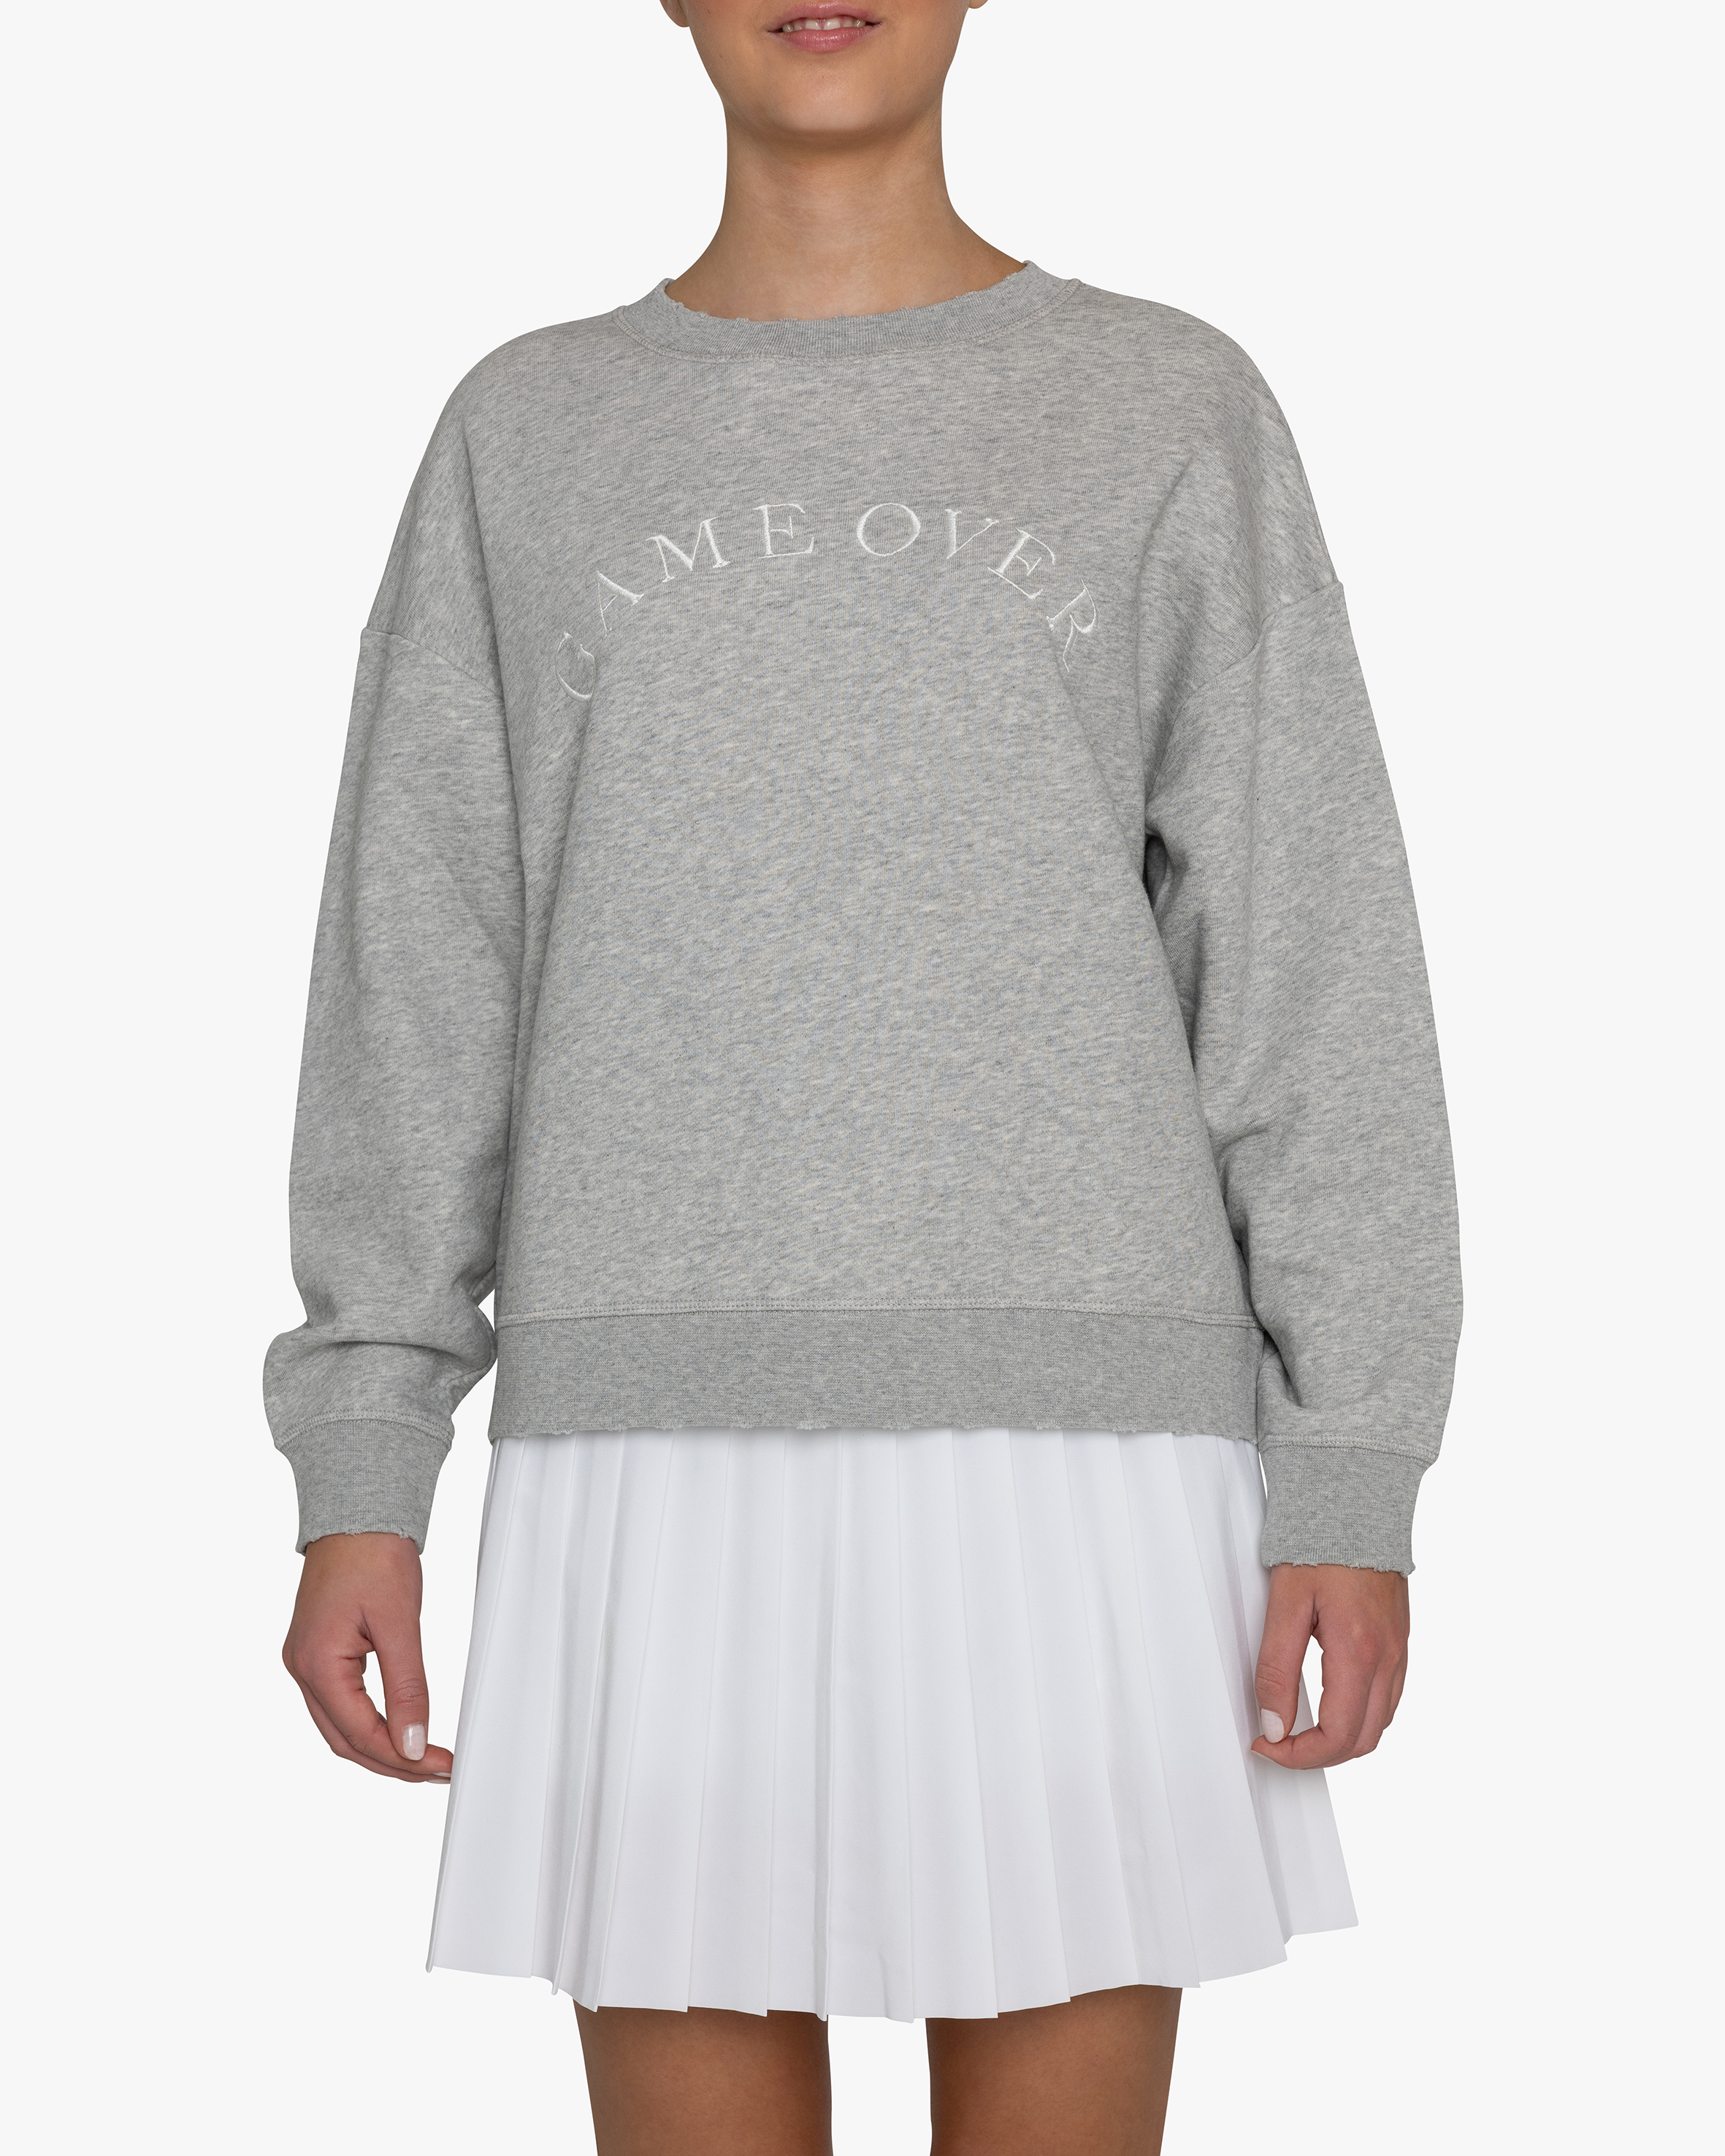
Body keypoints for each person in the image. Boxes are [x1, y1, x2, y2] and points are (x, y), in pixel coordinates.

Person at [269, 4, 1462, 2150]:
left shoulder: (1165, 405)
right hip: (647, 1436)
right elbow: (419, 963)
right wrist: (367, 1448)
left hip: (1091, 1445)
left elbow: (1305, 952)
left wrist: (1351, 1459)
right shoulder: (527, 431)